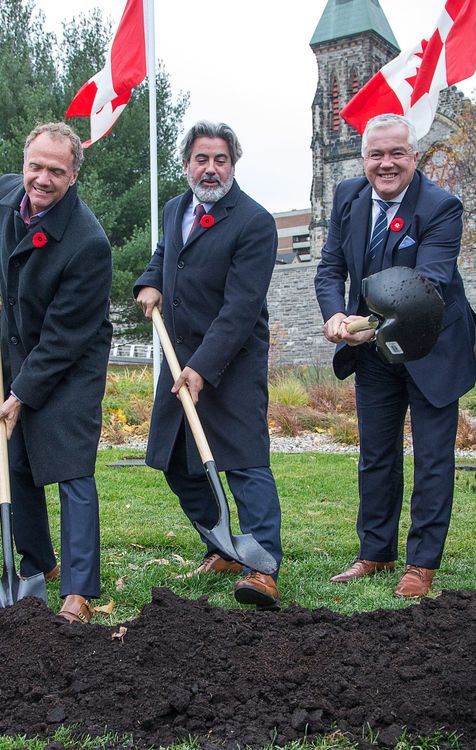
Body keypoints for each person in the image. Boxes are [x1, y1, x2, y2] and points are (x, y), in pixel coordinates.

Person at [314, 113, 476, 599]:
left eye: (396, 154)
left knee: (431, 458)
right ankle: (375, 553)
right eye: (376, 154)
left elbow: (427, 286)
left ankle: (421, 563)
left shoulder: (442, 206)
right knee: (376, 455)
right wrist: (335, 316)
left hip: (432, 346)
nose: (386, 164)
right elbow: (329, 268)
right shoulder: (347, 197)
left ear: (415, 157)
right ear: (364, 158)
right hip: (373, 354)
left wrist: (363, 326)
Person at [135, 120, 283, 609]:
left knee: (244, 464)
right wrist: (148, 283)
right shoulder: (176, 208)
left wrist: (202, 368)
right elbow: (164, 257)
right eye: (203, 159)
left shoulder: (254, 222)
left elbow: (241, 307)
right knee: (175, 461)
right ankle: (220, 545)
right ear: (187, 164)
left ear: (233, 165)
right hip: (177, 358)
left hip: (230, 363)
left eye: (221, 159)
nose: (211, 168)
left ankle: (262, 566)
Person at [0, 122, 112, 624]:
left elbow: (63, 339)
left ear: (74, 175)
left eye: (57, 170)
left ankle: (78, 591)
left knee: (71, 467)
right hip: (15, 345)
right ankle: (38, 566)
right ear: (24, 162)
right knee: (17, 458)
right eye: (36, 166)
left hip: (70, 360)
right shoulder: (6, 194)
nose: (42, 179)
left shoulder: (87, 243)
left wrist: (20, 395)